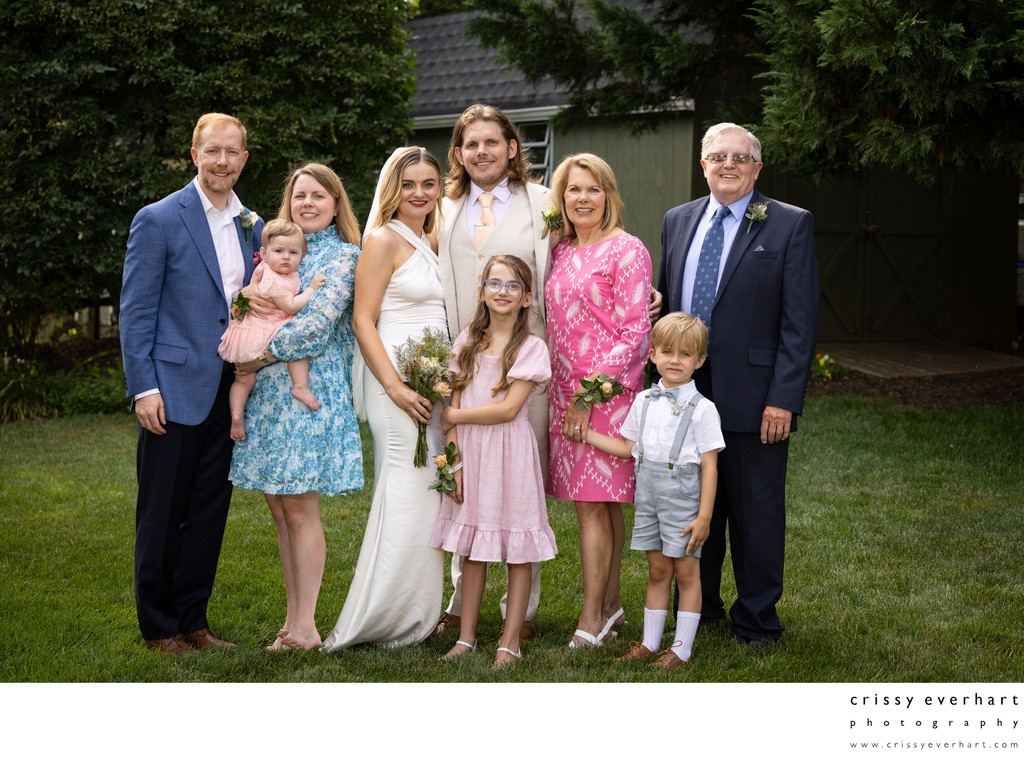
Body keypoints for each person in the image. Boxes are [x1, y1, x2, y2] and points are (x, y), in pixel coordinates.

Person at [657, 122, 820, 646]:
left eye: (740, 157)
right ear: (702, 165)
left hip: (755, 397)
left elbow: (800, 321)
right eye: (717, 156)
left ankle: (757, 619)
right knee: (691, 505)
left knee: (756, 512)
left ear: (757, 167)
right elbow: (665, 312)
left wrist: (783, 398)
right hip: (684, 393)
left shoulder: (789, 224)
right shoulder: (677, 221)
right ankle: (698, 610)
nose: (728, 165)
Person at [120, 112, 262, 654]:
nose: (222, 161)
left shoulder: (253, 224)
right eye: (212, 152)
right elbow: (136, 312)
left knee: (208, 510)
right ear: (194, 155)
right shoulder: (158, 219)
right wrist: (144, 387)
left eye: (232, 152)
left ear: (243, 159)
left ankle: (194, 619)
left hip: (229, 390)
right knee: (162, 511)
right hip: (173, 388)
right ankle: (158, 626)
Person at [229, 162, 364, 651]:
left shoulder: (345, 257)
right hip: (266, 397)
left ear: (335, 205)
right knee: (280, 509)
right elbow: (247, 304)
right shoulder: (272, 250)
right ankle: (292, 621)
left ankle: (306, 626)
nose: (308, 203)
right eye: (300, 195)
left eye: (319, 196)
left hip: (308, 394)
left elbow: (316, 326)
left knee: (302, 509)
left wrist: (255, 355)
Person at [434, 104, 553, 640]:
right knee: (469, 487)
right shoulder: (443, 208)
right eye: (470, 144)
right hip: (464, 360)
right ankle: (463, 607)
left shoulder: (543, 202)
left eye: (492, 142)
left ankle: (520, 615)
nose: (482, 152)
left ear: (511, 147)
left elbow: (581, 256)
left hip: (523, 362)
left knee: (520, 487)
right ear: (458, 154)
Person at [321, 146, 447, 650]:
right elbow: (362, 319)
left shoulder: (431, 239)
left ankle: (418, 610)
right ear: (393, 188)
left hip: (432, 381)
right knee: (406, 487)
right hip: (392, 381)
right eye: (409, 184)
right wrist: (394, 385)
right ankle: (381, 617)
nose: (419, 193)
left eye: (428, 183)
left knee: (428, 491)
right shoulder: (382, 240)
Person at [432, 255, 557, 668]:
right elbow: (450, 404)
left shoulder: (531, 347)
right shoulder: (467, 340)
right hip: (470, 453)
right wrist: (453, 462)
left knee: (518, 549)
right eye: (494, 283)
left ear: (526, 298)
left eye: (513, 286)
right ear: (482, 290)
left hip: (510, 453)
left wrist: (455, 417)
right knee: (473, 549)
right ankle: (466, 637)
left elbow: (507, 410)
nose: (502, 291)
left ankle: (509, 641)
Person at [549, 153, 653, 648]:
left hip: (606, 396)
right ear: (562, 198)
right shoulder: (561, 251)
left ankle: (590, 619)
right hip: (563, 392)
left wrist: (590, 396)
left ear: (608, 194)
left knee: (595, 507)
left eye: (592, 189)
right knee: (598, 506)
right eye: (573, 190)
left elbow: (635, 331)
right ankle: (611, 608)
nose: (582, 198)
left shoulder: (627, 250)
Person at [581, 313, 724, 668]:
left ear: (700, 361)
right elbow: (629, 447)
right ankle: (649, 642)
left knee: (687, 572)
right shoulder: (644, 400)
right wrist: (587, 435)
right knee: (658, 570)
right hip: (649, 495)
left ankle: (681, 649)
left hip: (683, 495)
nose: (675, 360)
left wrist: (704, 516)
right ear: (653, 354)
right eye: (668, 352)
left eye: (685, 354)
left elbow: (709, 465)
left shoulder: (704, 409)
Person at [218, 219, 326, 441]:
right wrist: (312, 289)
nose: (286, 257)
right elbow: (291, 306)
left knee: (243, 379)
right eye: (279, 251)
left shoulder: (265, 268)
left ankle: (236, 414)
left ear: (302, 256)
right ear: (264, 254)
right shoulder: (276, 280)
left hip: (248, 329)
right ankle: (300, 386)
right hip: (266, 329)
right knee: (297, 346)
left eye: (293, 252)